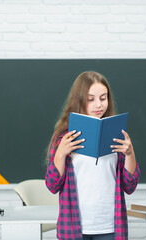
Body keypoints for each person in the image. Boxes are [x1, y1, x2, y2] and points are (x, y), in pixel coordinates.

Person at [45, 71, 140, 240]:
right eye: (91, 99)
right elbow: (52, 186)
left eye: (103, 98)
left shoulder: (117, 133)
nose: (98, 105)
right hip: (74, 226)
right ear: (79, 100)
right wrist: (60, 154)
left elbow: (130, 186)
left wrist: (130, 153)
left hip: (110, 224)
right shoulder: (63, 137)